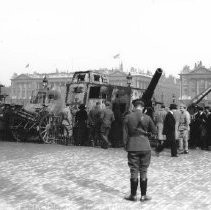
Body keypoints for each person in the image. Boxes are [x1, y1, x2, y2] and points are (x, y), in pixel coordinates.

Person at [123, 99, 157, 202]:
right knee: (144, 170)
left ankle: (133, 196)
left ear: (134, 107)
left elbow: (124, 133)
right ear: (142, 108)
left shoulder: (128, 117)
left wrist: (125, 145)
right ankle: (143, 196)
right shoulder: (147, 117)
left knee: (134, 170)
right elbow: (154, 131)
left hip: (133, 146)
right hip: (145, 146)